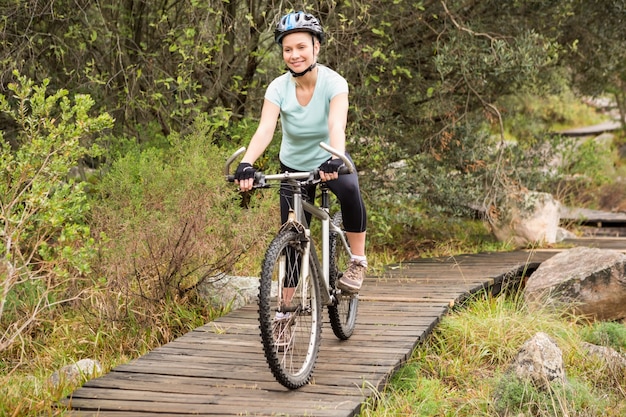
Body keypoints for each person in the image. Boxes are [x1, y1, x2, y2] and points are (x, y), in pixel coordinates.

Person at [234, 11, 367, 343]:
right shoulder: (278, 87)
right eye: (287, 49)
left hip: (328, 157)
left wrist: (337, 159)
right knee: (292, 242)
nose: (294, 55)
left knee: (349, 188)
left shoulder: (334, 83)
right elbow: (265, 129)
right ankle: (285, 313)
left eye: (301, 47)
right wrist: (247, 164)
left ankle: (358, 261)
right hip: (293, 165)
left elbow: (337, 125)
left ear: (316, 47)